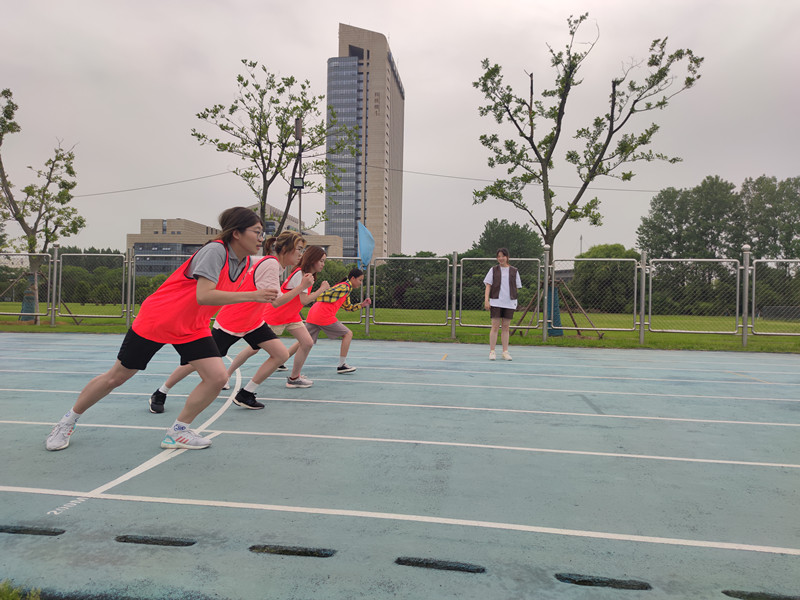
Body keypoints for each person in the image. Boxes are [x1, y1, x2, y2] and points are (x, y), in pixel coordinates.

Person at [45, 207, 278, 452]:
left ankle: (178, 431)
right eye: (257, 232)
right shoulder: (215, 251)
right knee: (116, 377)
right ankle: (67, 422)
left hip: (191, 326)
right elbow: (204, 295)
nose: (261, 238)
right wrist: (253, 295)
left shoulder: (242, 262)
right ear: (237, 233)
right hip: (159, 319)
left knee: (217, 378)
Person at [149, 231, 314, 412]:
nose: (301, 254)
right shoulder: (271, 264)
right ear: (286, 249)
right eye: (299, 249)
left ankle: (246, 393)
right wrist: (301, 287)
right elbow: (277, 302)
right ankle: (161, 392)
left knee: (280, 355)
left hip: (253, 322)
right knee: (194, 363)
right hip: (232, 321)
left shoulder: (273, 264)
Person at [225, 245, 330, 389]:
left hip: (291, 316)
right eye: (321, 261)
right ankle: (227, 375)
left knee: (307, 342)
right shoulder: (300, 274)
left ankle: (294, 378)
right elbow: (304, 300)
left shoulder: (308, 276)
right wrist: (321, 290)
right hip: (276, 315)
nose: (323, 264)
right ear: (313, 260)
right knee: (253, 349)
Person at [304, 267, 370, 374]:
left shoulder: (346, 288)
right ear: (353, 278)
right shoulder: (344, 287)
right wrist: (312, 296)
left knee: (303, 341)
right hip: (324, 315)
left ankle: (282, 360)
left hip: (314, 313)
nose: (361, 283)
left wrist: (362, 305)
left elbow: (348, 307)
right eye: (360, 280)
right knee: (348, 334)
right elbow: (326, 292)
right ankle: (341, 365)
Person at [483, 247, 523, 361]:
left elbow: (517, 287)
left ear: (507, 257)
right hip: (496, 302)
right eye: (499, 256)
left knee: (506, 327)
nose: (501, 258)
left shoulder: (514, 271)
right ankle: (492, 351)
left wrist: (513, 300)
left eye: (503, 256)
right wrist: (487, 300)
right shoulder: (493, 270)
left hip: (509, 303)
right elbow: (488, 285)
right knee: (495, 326)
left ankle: (505, 352)